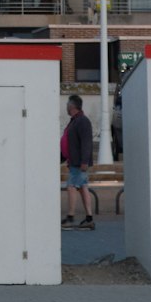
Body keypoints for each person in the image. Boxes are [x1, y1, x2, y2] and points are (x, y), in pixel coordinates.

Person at [62, 94, 95, 229]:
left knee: (71, 186)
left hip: (79, 163)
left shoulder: (82, 121)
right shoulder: (75, 120)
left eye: (67, 105)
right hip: (75, 161)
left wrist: (84, 162)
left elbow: (86, 142)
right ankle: (89, 218)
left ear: (72, 106)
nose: (66, 107)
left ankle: (71, 217)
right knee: (82, 187)